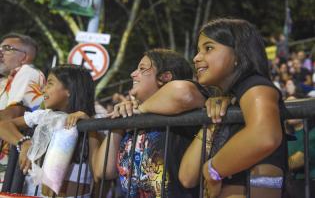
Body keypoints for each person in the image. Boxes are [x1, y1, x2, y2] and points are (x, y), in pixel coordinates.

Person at [179, 18, 286, 198]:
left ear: (238, 54)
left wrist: (212, 170)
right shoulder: (227, 100)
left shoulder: (256, 85)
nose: (196, 58)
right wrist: (214, 122)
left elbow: (265, 135)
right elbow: (187, 177)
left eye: (209, 48)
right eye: (198, 50)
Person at [89, 48, 213, 198]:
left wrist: (140, 109)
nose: (133, 74)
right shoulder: (132, 118)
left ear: (165, 77)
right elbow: (103, 170)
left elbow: (182, 92)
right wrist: (119, 122)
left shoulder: (186, 109)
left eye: (142, 69)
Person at [0, 65, 95, 197]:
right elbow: (3, 125)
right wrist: (24, 143)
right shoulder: (43, 115)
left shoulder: (96, 122)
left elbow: (102, 172)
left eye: (49, 84)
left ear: (70, 90)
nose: (43, 90)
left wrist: (89, 124)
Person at [0, 33, 45, 189]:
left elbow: (13, 114)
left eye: (7, 48)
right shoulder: (7, 80)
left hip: (9, 173)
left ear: (24, 57)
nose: (0, 52)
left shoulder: (27, 72)